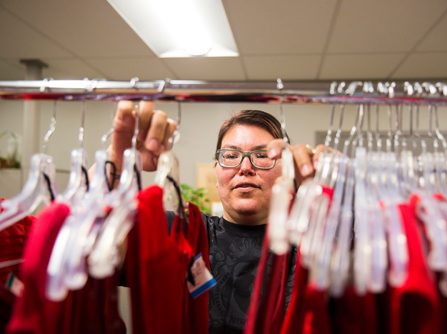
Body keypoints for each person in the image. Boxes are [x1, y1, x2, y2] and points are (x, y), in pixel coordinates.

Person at [106, 100, 324, 333]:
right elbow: (87, 249)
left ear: (288, 170)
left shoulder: (314, 245)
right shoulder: (179, 234)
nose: (245, 167)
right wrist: (116, 163)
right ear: (217, 169)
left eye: (262, 155)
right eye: (231, 155)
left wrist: (334, 186)